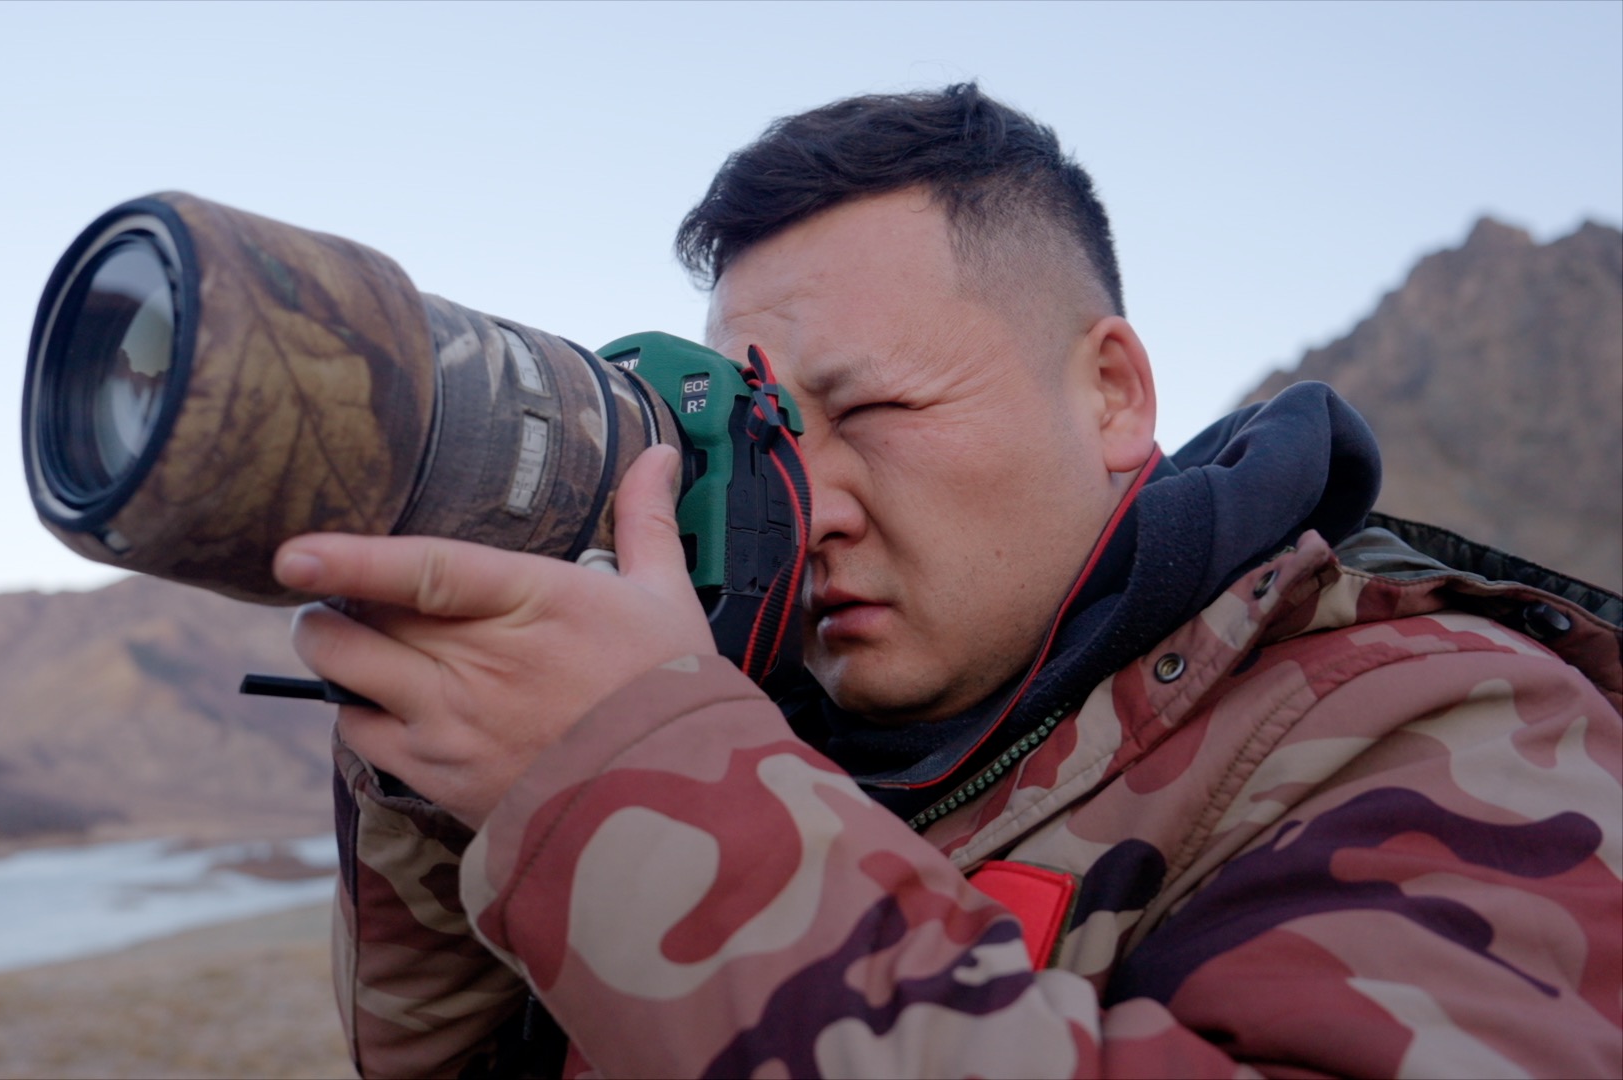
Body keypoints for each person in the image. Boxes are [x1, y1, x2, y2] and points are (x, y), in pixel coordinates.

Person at [276, 84, 1623, 1078]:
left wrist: (637, 781)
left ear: (1111, 394)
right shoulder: (760, 722)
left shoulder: (1445, 726)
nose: (811, 510)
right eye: (765, 444)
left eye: (876, 412)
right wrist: (458, 780)